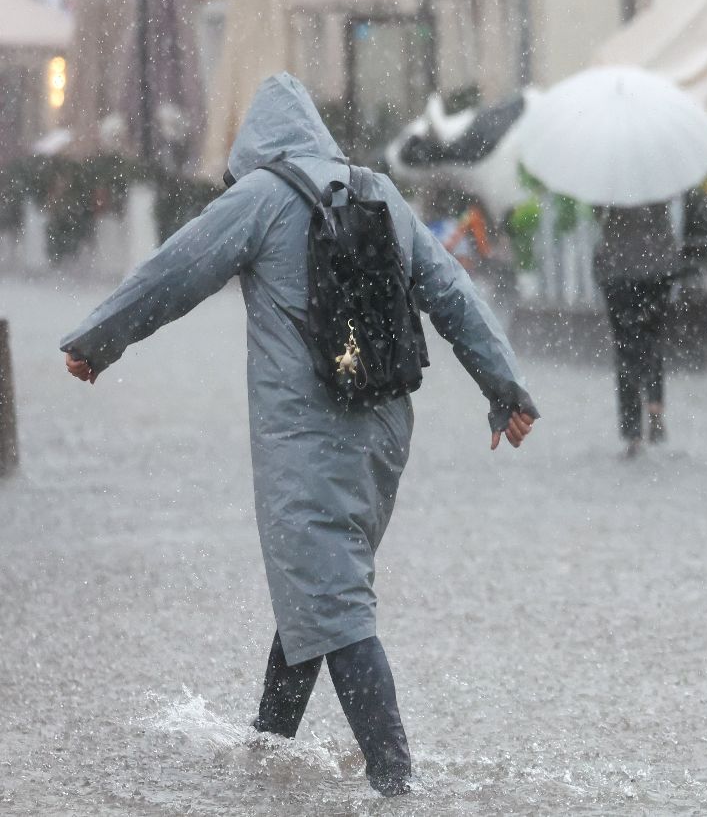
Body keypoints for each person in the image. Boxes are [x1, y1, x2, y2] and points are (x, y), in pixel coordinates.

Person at [60, 73, 539, 797]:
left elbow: (175, 271)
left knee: (333, 601)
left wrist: (98, 341)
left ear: (255, 143)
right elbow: (452, 294)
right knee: (319, 583)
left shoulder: (261, 197)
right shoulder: (380, 192)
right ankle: (269, 746)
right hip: (383, 424)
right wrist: (505, 390)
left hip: (307, 433)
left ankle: (396, 786)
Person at [593, 202, 680, 457]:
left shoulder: (611, 187)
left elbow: (598, 214)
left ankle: (633, 431)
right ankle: (654, 404)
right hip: (656, 266)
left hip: (618, 268)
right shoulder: (657, 186)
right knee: (652, 337)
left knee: (625, 346)